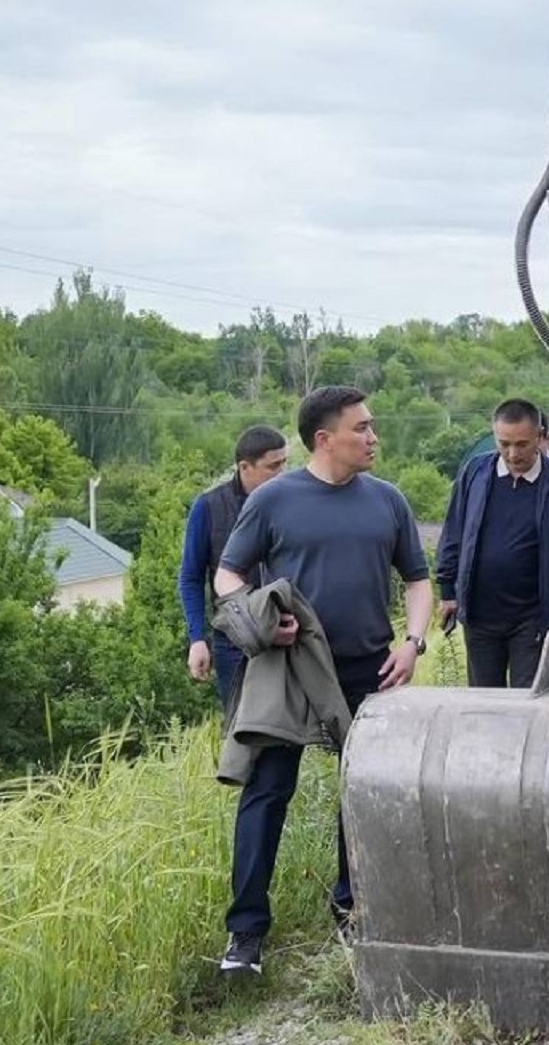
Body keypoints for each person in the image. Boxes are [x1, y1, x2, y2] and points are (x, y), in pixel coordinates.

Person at [210, 386, 434, 976]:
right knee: (266, 795)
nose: (373, 437)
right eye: (362, 428)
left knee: (360, 795)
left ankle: (352, 908)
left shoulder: (388, 501)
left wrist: (413, 644)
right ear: (324, 439)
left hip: (369, 669)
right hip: (288, 671)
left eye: (372, 427)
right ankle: (245, 936)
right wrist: (262, 617)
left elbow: (417, 580)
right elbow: (227, 575)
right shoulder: (274, 499)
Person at [435, 399, 549, 688]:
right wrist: (447, 589)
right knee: (483, 700)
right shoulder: (476, 473)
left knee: (529, 697)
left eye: (522, 444)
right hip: (480, 615)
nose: (512, 454)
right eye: (504, 444)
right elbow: (454, 530)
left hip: (534, 617)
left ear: (541, 437)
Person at [179, 426, 288, 710]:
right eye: (272, 466)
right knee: (242, 733)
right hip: (233, 643)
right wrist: (197, 639)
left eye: (284, 464)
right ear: (244, 467)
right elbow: (191, 577)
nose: (281, 473)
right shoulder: (209, 507)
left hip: (288, 637)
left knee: (288, 733)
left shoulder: (293, 502)